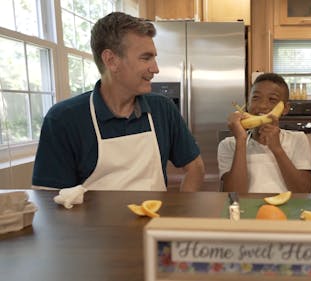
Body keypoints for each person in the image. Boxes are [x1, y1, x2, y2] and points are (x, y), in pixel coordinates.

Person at [32, 12, 204, 191]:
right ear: (111, 61)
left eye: (154, 58)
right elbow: (49, 201)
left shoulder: (162, 109)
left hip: (156, 218)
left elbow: (195, 168)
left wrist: (178, 215)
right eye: (146, 58)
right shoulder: (63, 119)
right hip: (94, 221)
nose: (155, 69)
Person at [218, 73, 311, 193]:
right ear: (247, 104)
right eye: (255, 98)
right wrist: (241, 142)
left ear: (285, 108)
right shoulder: (229, 144)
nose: (262, 105)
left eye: (272, 99)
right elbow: (234, 195)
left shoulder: (298, 139)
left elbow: (304, 192)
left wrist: (277, 148)